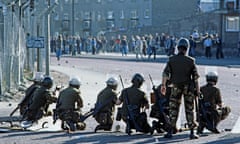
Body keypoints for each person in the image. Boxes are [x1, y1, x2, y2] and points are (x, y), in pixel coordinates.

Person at [161, 38, 200, 139]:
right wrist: (198, 91)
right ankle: (192, 132)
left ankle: (170, 131)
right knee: (190, 109)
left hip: (175, 86)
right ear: (187, 48)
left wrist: (163, 86)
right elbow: (195, 78)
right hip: (188, 87)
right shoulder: (191, 61)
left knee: (173, 109)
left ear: (177, 47)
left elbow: (165, 74)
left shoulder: (171, 59)